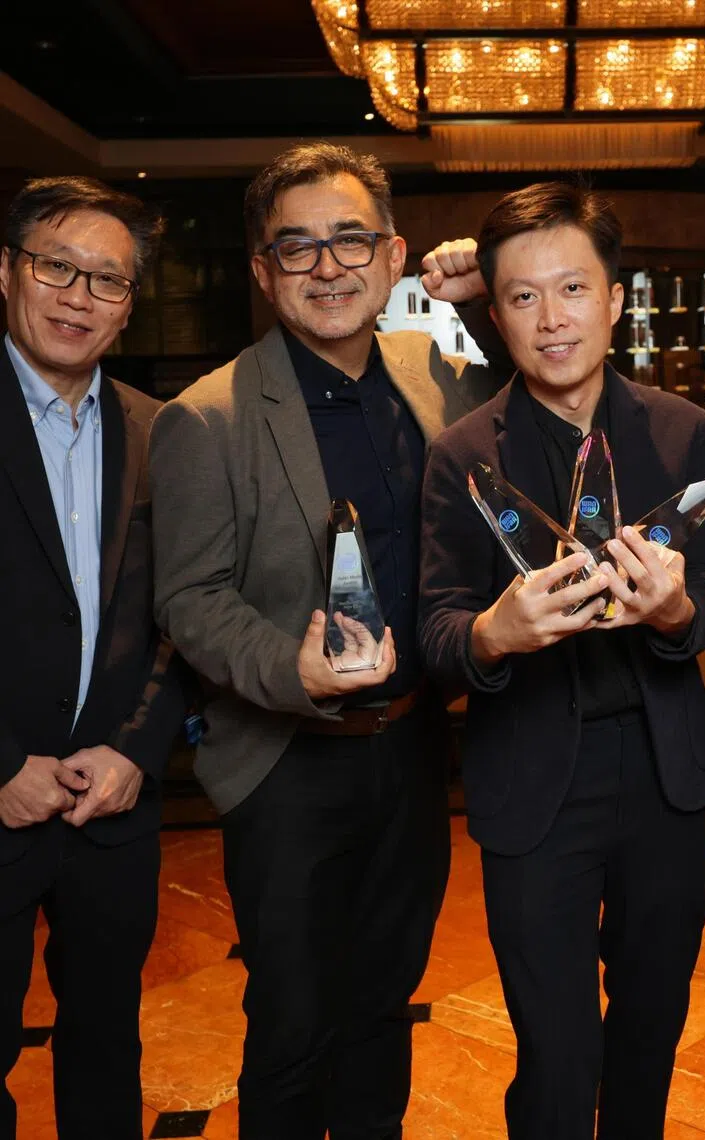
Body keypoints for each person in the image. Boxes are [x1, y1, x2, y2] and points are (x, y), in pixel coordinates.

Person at [148, 142, 510, 1140]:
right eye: (296, 248)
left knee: (382, 1008)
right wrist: (286, 668)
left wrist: (484, 301)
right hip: (287, 766)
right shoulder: (208, 417)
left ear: (391, 256)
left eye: (350, 240)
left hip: (410, 752)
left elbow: (535, 419)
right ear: (262, 272)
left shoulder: (432, 377)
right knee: (294, 1027)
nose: (327, 267)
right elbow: (189, 595)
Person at [417, 183, 705, 1139]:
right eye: (521, 297)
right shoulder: (464, 452)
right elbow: (434, 629)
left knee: (649, 1035)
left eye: (573, 289)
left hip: (664, 777)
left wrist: (676, 611)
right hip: (533, 785)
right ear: (495, 313)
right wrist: (493, 634)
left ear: (615, 300)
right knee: (556, 1058)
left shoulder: (680, 431)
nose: (552, 319)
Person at [0, 176, 185, 1139]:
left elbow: (180, 617)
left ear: (128, 304)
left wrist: (136, 750)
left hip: (112, 801)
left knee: (107, 1047)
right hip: (0, 798)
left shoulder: (162, 433)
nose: (78, 296)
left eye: (106, 281)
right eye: (55, 267)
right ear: (6, 271)